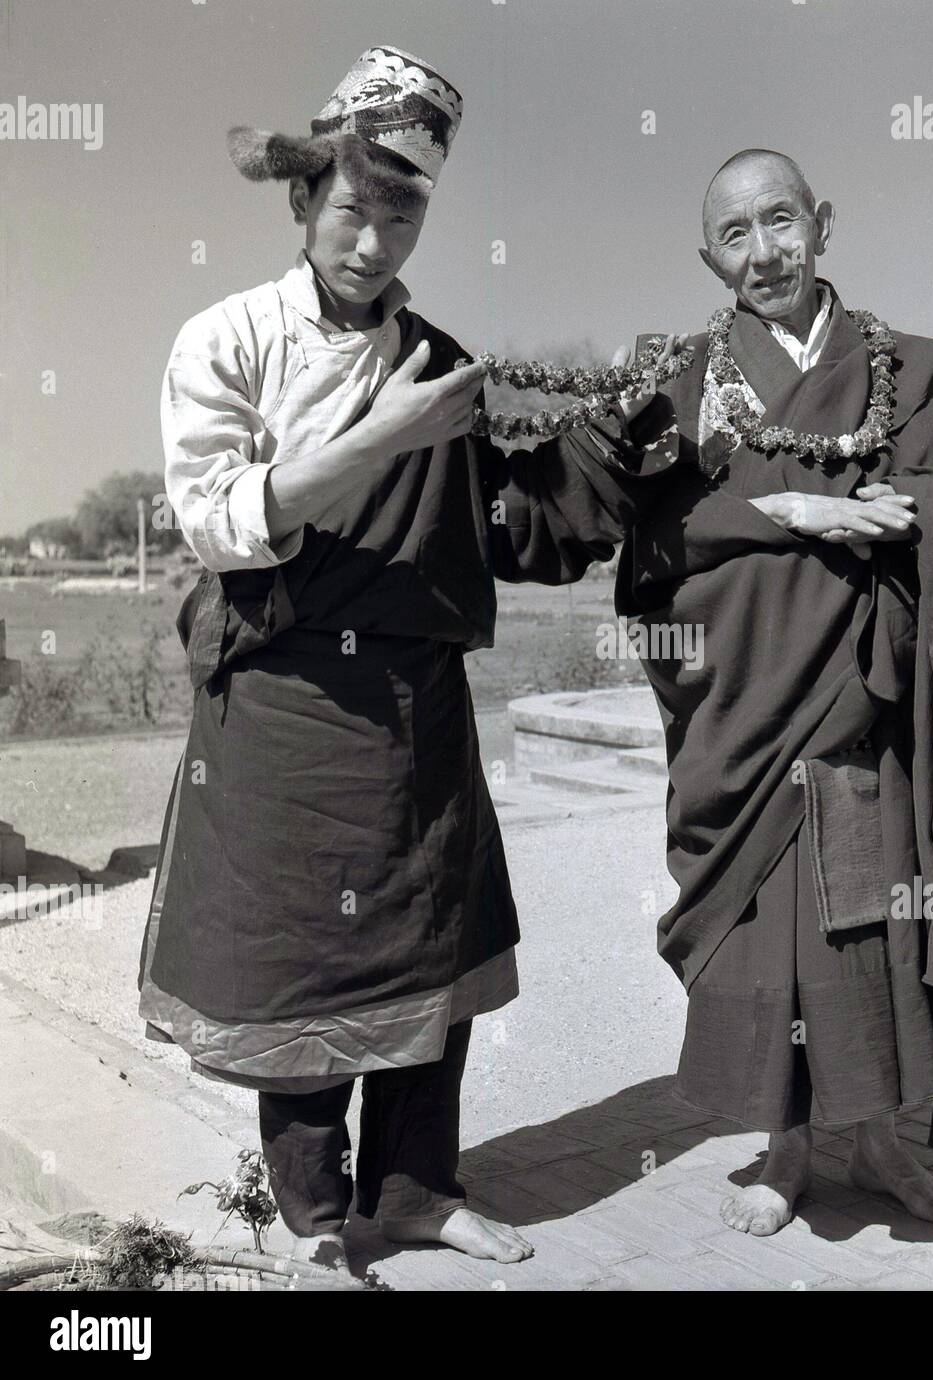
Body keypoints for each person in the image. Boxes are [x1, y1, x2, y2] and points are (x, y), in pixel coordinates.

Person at [137, 46, 672, 1268]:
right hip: (285, 704)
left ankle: (419, 1192)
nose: (373, 243)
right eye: (351, 211)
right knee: (307, 971)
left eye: (403, 213)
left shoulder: (439, 365)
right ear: (302, 201)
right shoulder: (224, 341)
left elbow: (513, 533)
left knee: (427, 956)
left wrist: (613, 436)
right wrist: (381, 436)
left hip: (418, 707)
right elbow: (221, 520)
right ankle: (319, 1222)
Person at [492, 148, 933, 1237]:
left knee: (869, 930)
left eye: (780, 222)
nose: (762, 253)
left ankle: (879, 1138)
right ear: (707, 256)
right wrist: (448, 459)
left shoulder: (912, 371)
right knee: (767, 938)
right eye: (734, 234)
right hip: (739, 715)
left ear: (822, 223)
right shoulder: (674, 384)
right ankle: (788, 1147)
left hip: (870, 710)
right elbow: (575, 511)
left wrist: (914, 508)